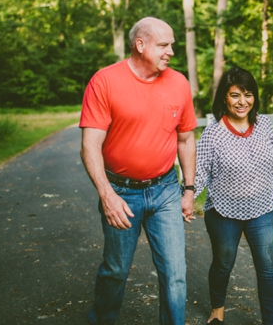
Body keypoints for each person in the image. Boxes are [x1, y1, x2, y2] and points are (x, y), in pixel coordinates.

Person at [79, 17, 198, 325]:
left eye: (172, 44)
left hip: (166, 191)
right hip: (121, 191)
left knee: (175, 274)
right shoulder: (105, 81)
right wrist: (107, 195)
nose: (171, 51)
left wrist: (189, 189)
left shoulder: (179, 83)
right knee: (116, 271)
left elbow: (186, 139)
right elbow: (89, 146)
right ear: (140, 45)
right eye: (164, 45)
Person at [194, 67, 273, 325]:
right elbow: (200, 173)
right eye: (235, 95)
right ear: (224, 99)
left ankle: (272, 321)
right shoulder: (213, 133)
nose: (242, 102)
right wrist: (186, 198)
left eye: (248, 95)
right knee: (223, 263)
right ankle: (217, 308)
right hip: (222, 211)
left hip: (263, 208)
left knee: (268, 269)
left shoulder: (265, 125)